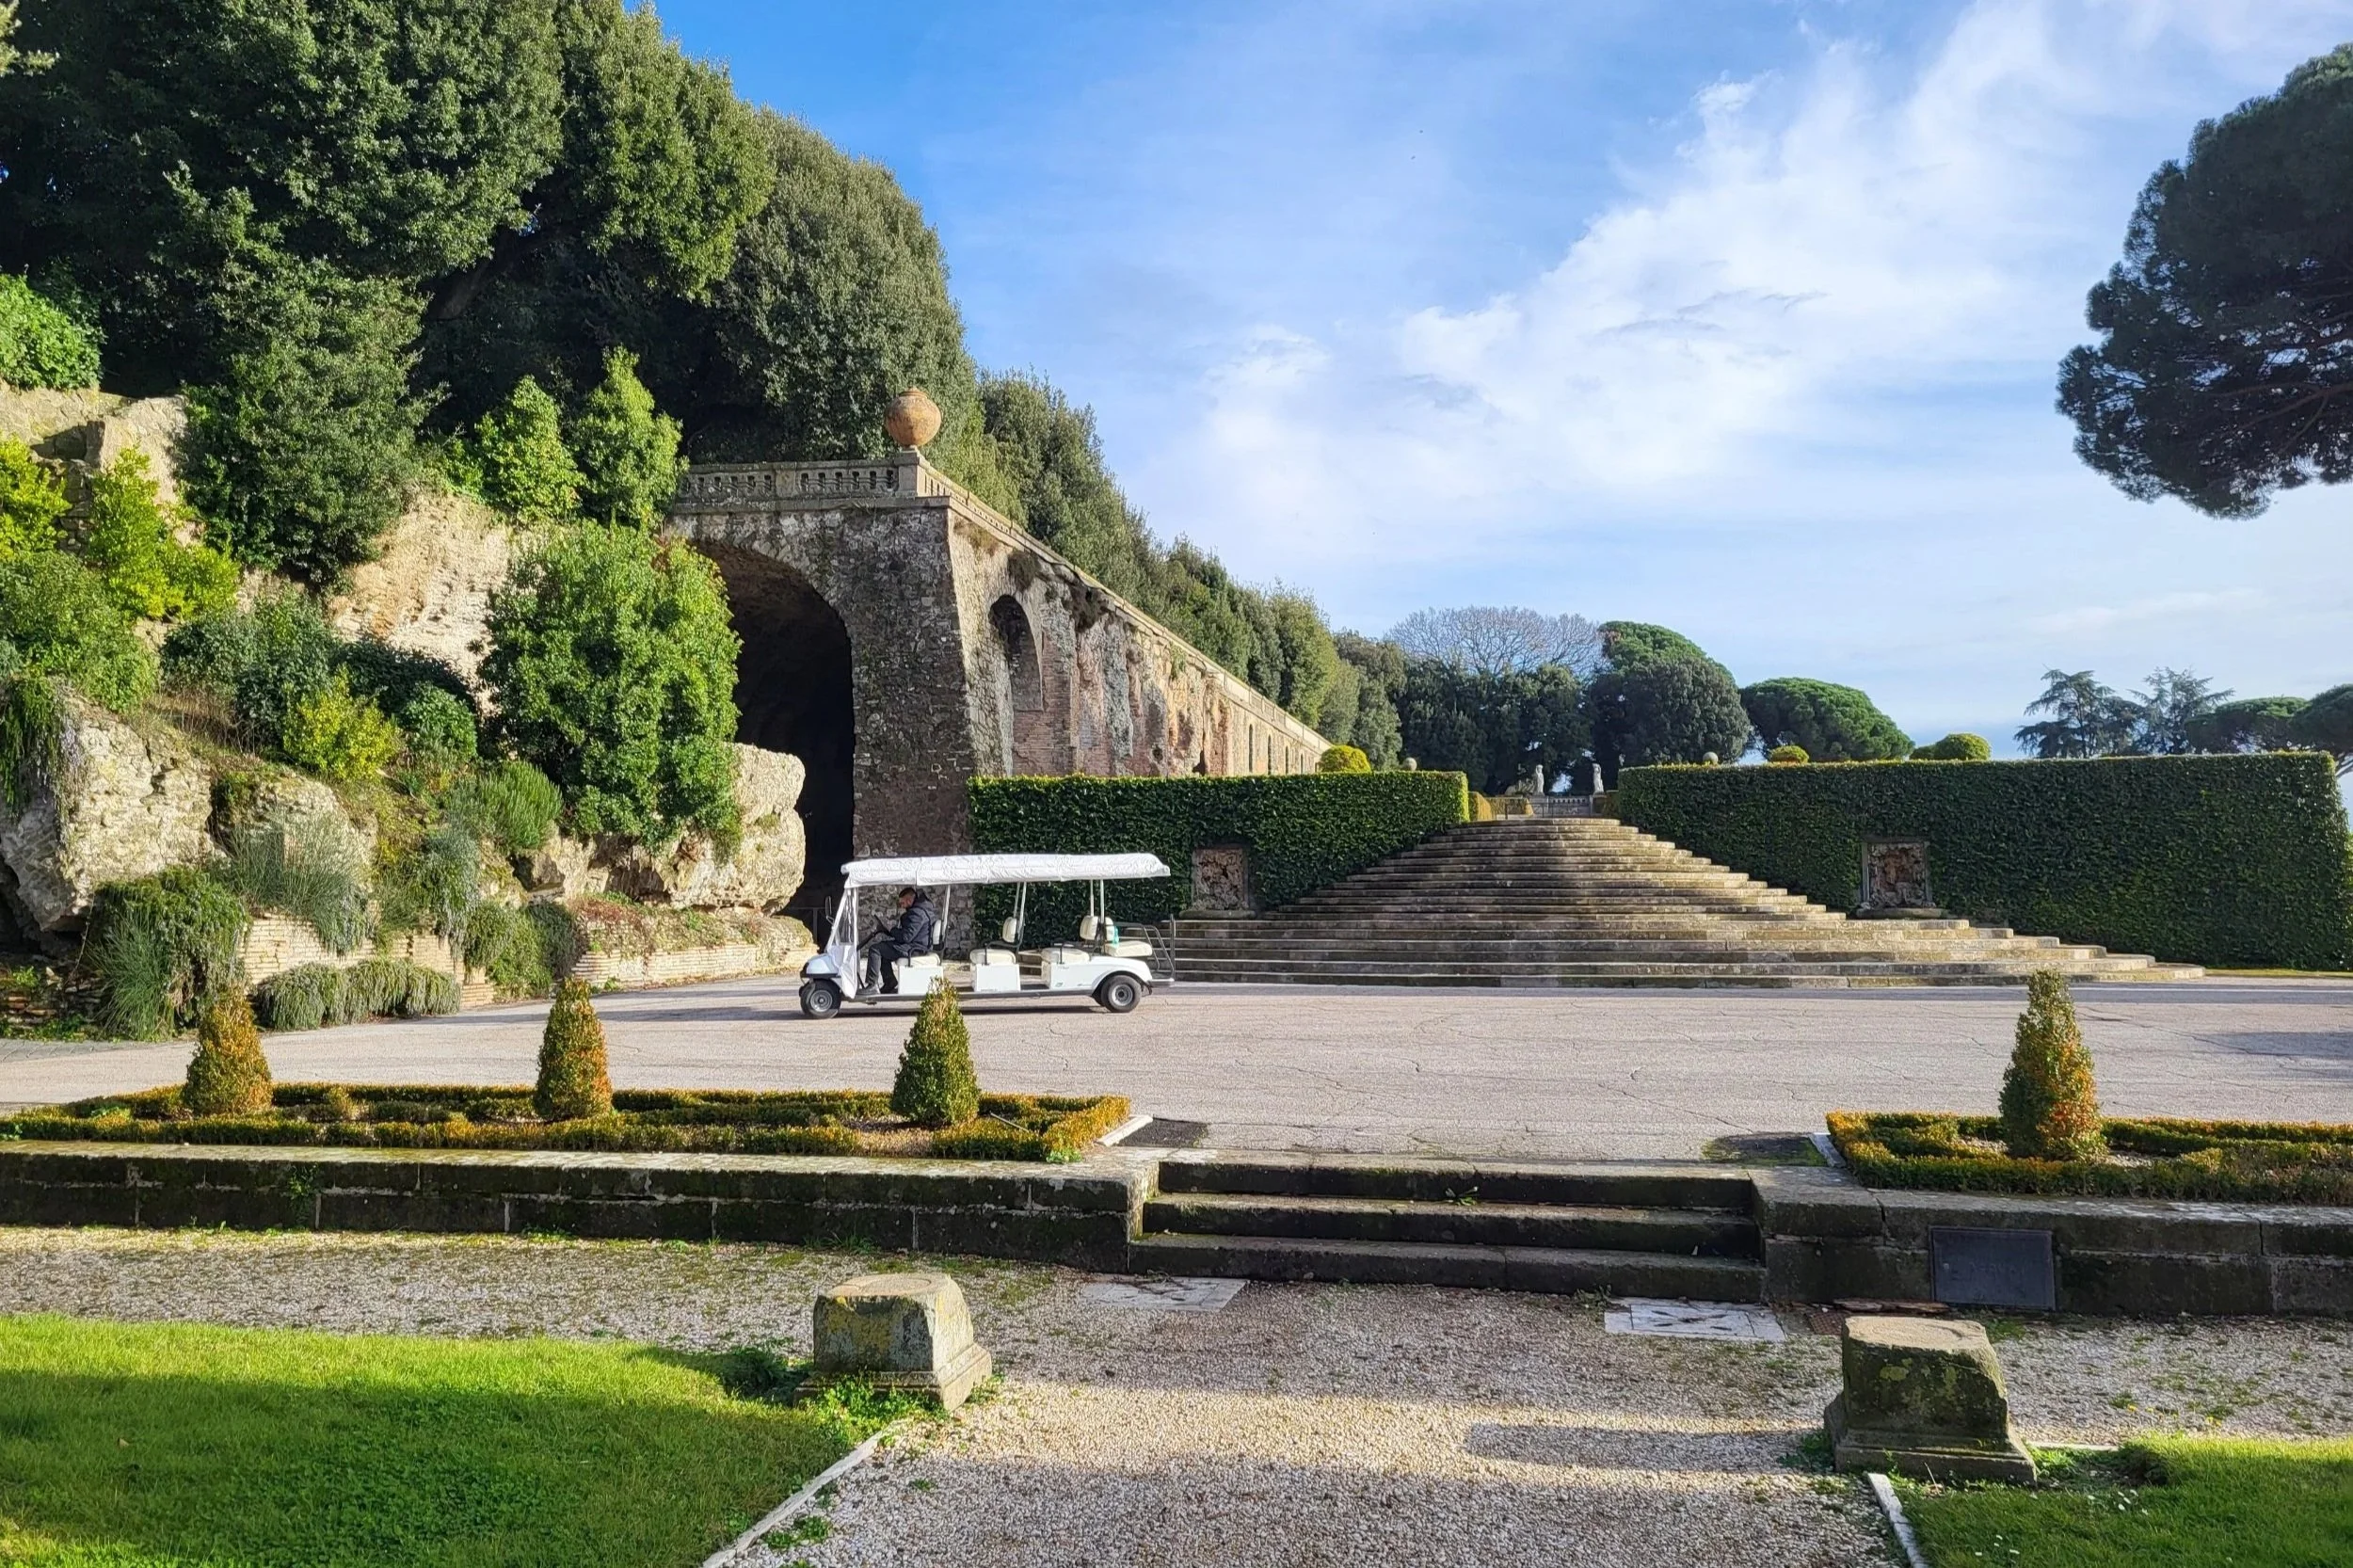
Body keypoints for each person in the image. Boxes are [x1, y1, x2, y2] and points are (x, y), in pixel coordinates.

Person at [860, 885, 939, 995]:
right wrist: (891, 931)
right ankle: (890, 982)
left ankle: (872, 985)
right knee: (883, 948)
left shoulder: (917, 913)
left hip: (915, 948)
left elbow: (906, 937)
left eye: (902, 903)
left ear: (909, 900)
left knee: (875, 949)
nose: (902, 906)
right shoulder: (922, 909)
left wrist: (892, 930)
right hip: (916, 945)